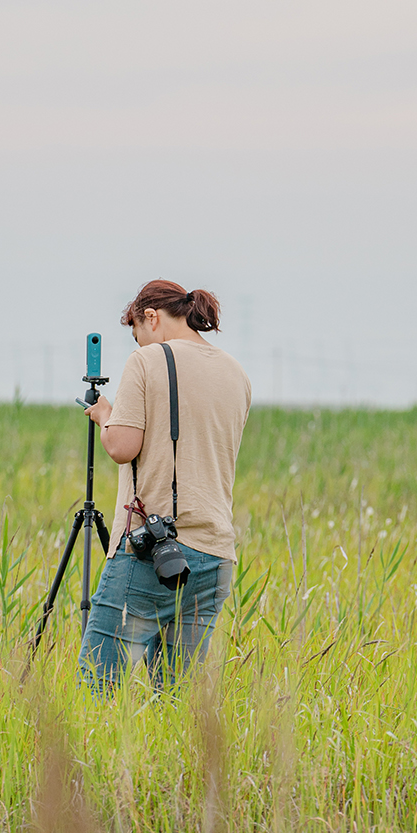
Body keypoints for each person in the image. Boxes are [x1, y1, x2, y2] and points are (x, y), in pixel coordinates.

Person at [78, 279, 251, 691]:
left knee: (97, 685)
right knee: (175, 699)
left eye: (138, 335)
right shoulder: (236, 373)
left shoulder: (148, 360)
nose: (138, 346)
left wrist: (105, 415)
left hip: (153, 552)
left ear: (151, 317)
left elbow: (122, 446)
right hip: (215, 557)